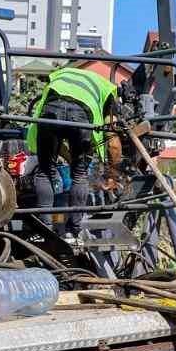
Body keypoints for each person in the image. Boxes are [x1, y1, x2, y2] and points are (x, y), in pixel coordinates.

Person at [25, 65, 123, 231]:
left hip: (51, 109)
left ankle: (45, 227)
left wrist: (72, 159)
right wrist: (112, 175)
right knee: (79, 175)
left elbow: (57, 141)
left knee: (44, 171)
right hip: (82, 114)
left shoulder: (60, 76)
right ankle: (75, 228)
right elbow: (113, 142)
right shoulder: (106, 90)